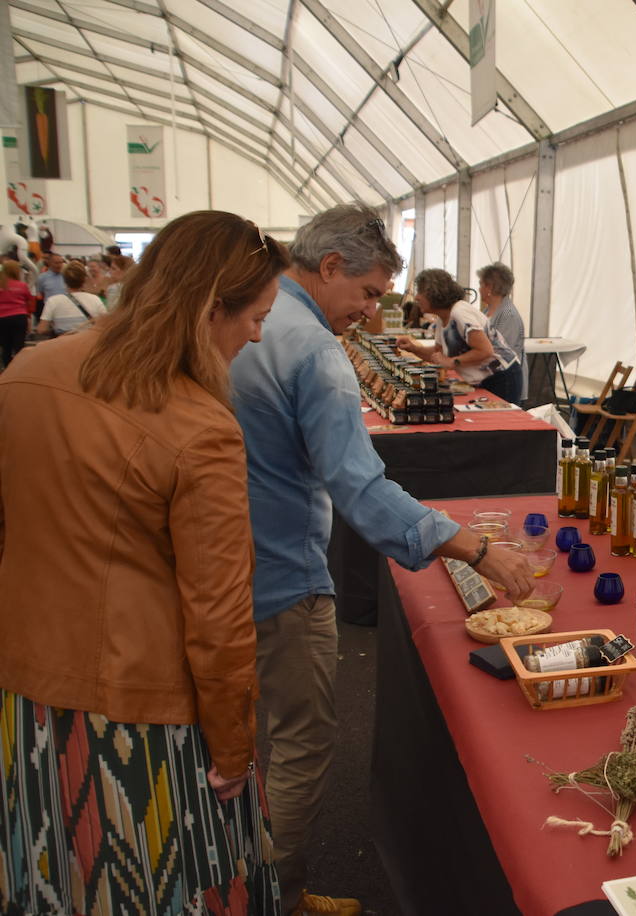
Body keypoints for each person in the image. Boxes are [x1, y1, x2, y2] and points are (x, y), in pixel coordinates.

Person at [229, 204, 534, 916]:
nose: (372, 311)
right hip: (282, 577)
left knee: (235, 744)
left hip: (227, 565)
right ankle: (284, 896)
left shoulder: (253, 318)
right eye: (367, 294)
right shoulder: (310, 348)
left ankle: (237, 880)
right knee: (300, 744)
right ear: (329, 267)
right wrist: (473, 547)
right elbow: (360, 488)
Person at [0, 210, 288, 915]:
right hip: (140, 723)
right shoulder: (197, 426)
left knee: (49, 882)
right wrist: (232, 748)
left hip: (28, 698)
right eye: (254, 317)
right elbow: (219, 615)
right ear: (209, 306)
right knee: (168, 886)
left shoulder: (27, 374)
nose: (257, 335)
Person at [395, 267, 521, 401]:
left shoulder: (459, 312)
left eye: (420, 292)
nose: (416, 297)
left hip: (503, 378)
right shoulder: (442, 317)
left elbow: (485, 350)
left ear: (434, 293)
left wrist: (451, 361)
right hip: (487, 379)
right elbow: (438, 354)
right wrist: (413, 348)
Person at [476, 261, 526, 402]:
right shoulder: (487, 311)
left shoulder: (508, 314)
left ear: (489, 287)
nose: (479, 289)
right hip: (493, 379)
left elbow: (504, 354)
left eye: (481, 284)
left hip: (505, 383)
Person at [36, 260, 108, 337]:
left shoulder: (53, 301)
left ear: (64, 280)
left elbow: (41, 329)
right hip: (87, 343)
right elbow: (105, 325)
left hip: (62, 343)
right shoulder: (95, 300)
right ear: (84, 279)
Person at [0, 260, 33, 368]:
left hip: (2, 318)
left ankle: (6, 371)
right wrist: (28, 317)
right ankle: (19, 370)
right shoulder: (22, 285)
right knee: (19, 347)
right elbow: (29, 301)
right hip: (19, 317)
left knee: (6, 347)